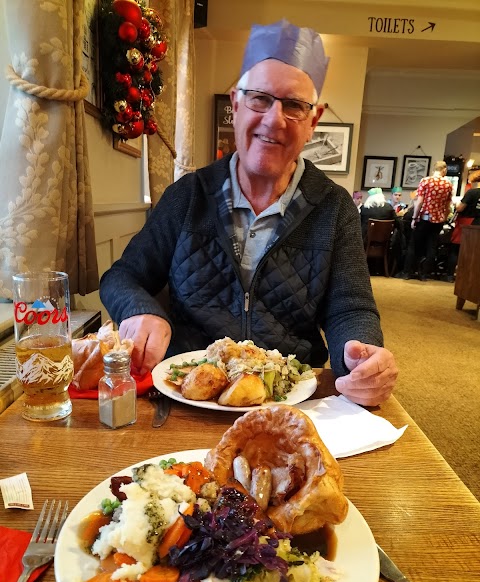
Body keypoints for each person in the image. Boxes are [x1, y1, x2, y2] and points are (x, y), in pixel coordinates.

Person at [100, 19, 398, 407]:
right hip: (187, 396)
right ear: (236, 104)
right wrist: (140, 310)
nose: (274, 119)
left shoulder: (335, 207)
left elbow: (350, 308)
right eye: (260, 98)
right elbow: (122, 276)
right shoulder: (188, 196)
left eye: (293, 105)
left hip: (291, 400)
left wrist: (361, 359)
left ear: (314, 121)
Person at [403, 160, 453, 281]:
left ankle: (408, 272)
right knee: (431, 247)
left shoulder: (425, 181)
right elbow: (448, 206)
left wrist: (414, 218)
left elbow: (419, 201)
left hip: (425, 217)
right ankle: (424, 274)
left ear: (433, 169)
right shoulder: (448, 184)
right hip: (438, 220)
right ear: (444, 170)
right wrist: (444, 218)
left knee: (414, 245)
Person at [446, 185, 480, 282]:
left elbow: (460, 208)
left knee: (456, 250)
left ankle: (450, 275)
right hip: (478, 225)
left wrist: (456, 204)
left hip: (466, 222)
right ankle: (469, 276)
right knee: (473, 252)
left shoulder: (472, 192)